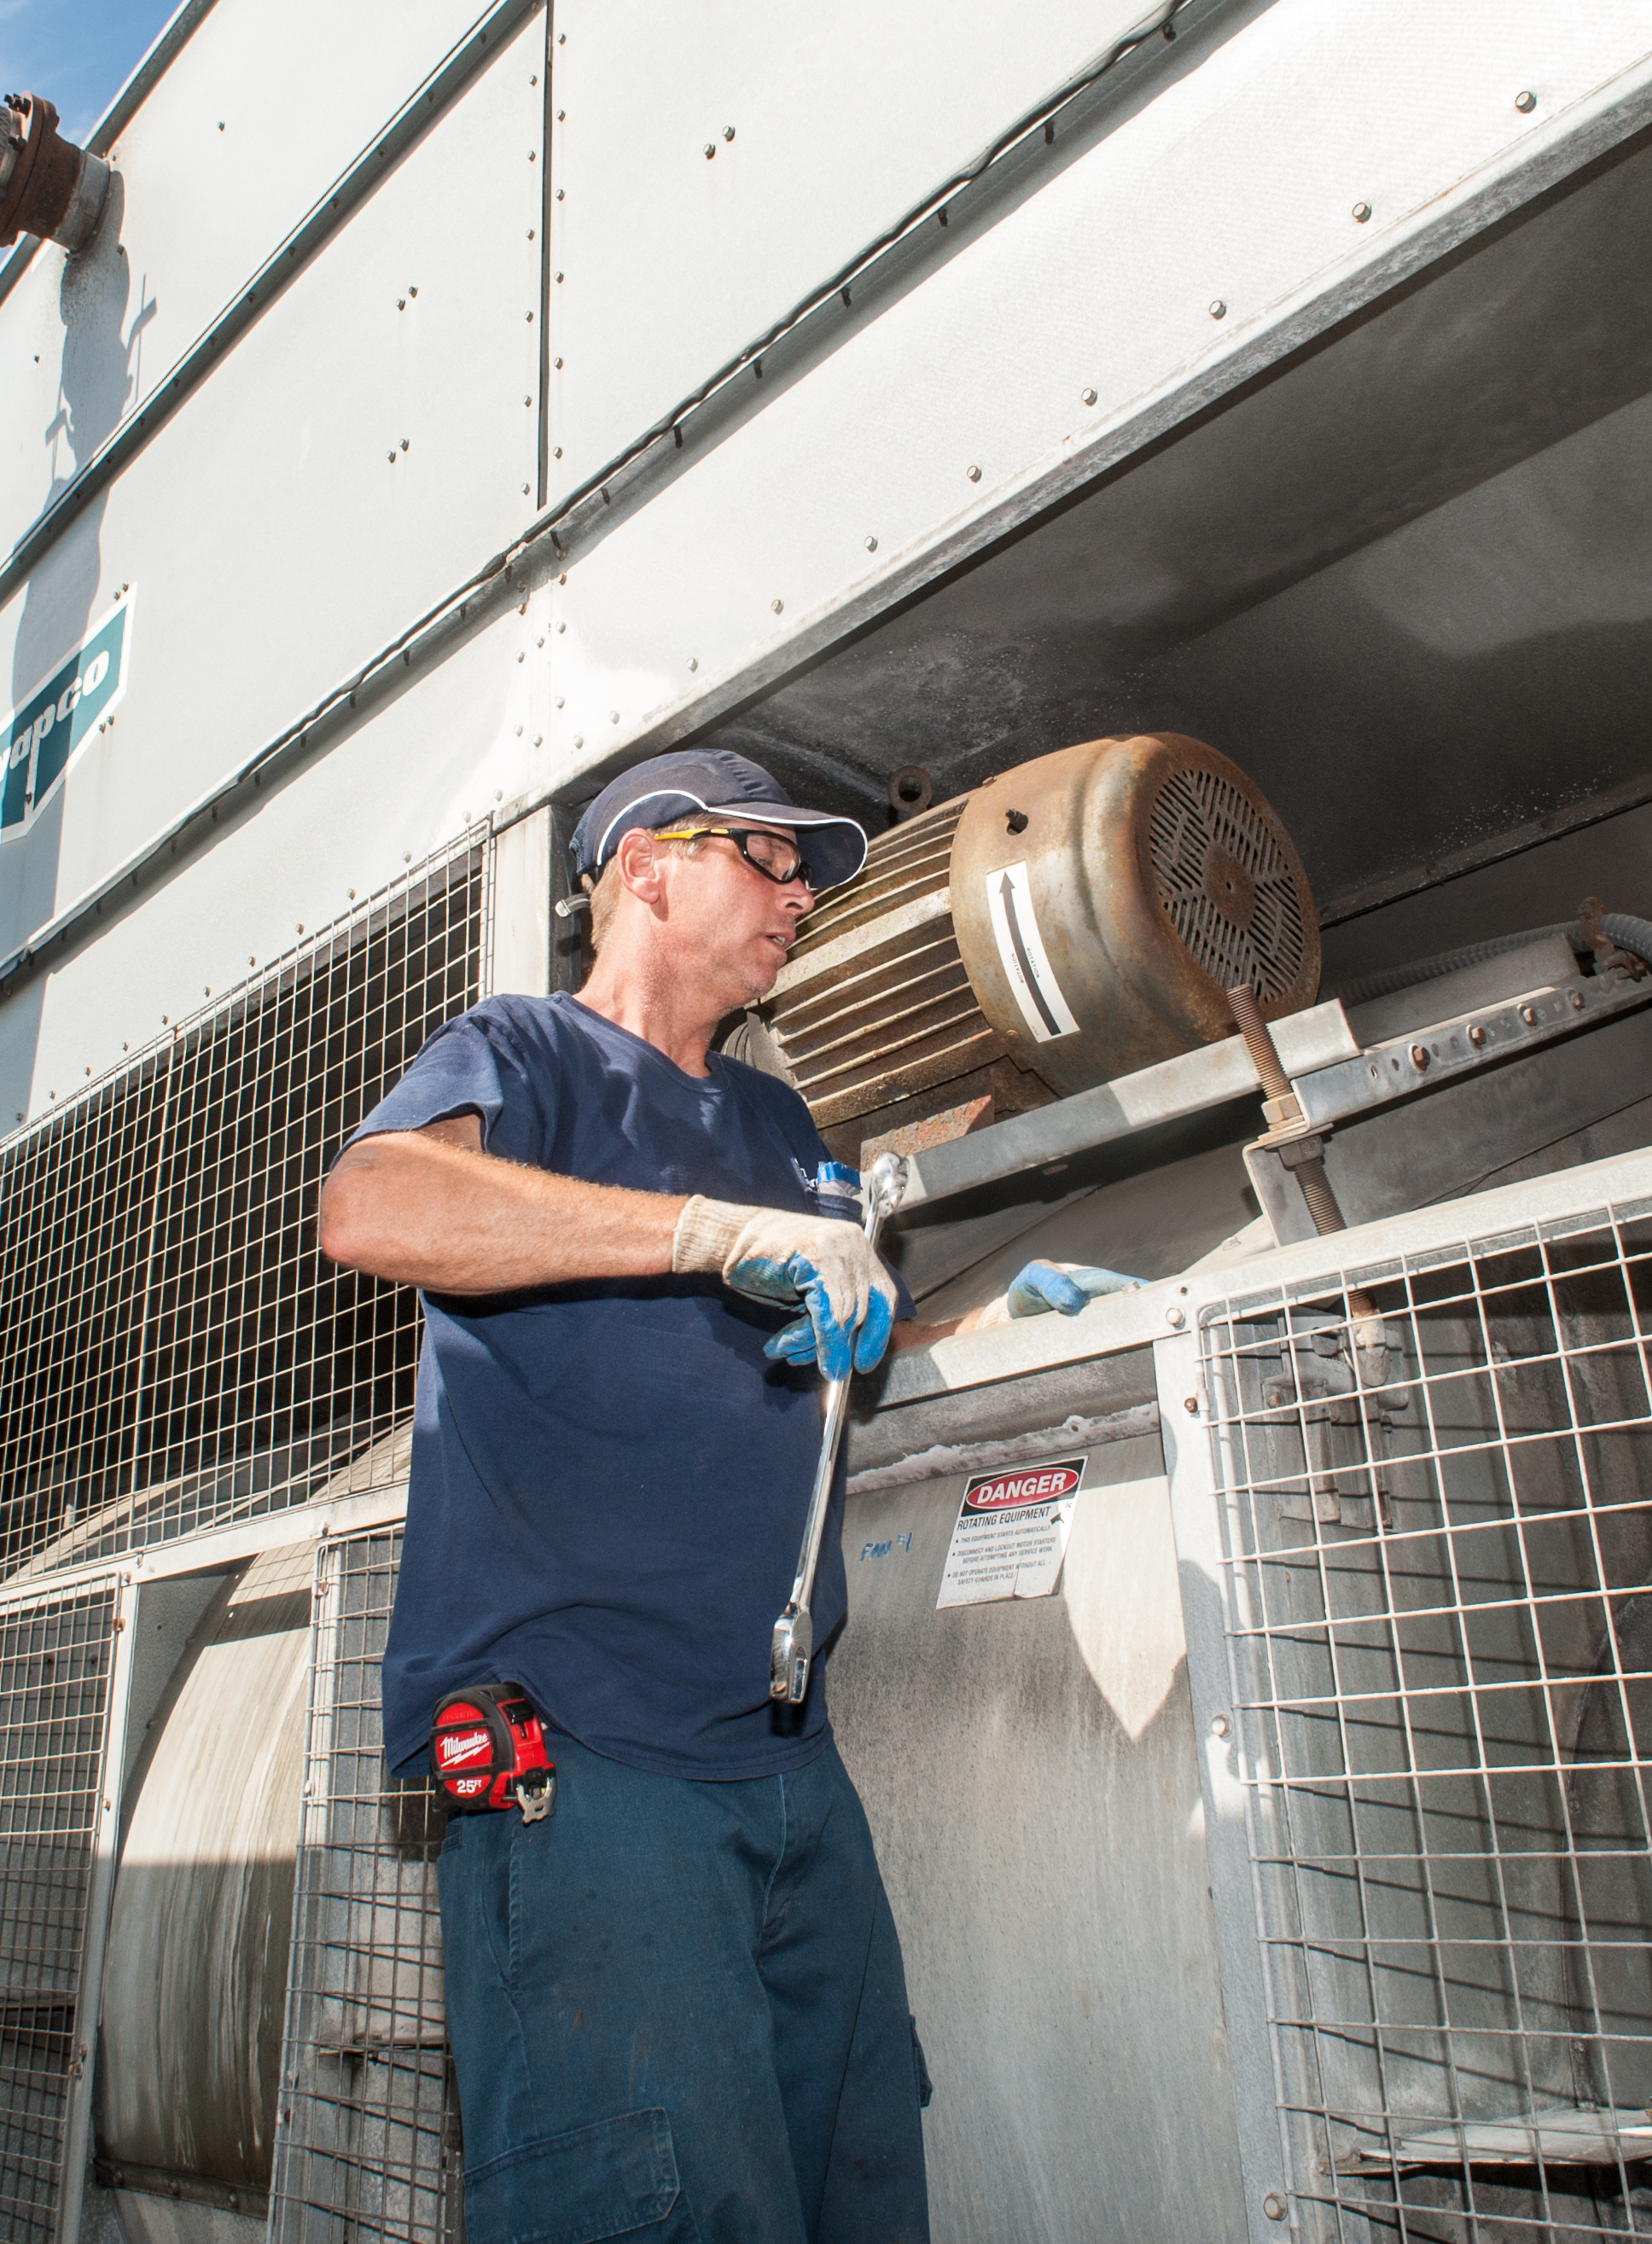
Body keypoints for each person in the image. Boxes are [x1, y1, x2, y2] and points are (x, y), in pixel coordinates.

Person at [316, 748, 929, 2244]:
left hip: (788, 1757)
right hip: (589, 1753)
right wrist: (710, 1234)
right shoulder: (524, 1054)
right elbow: (371, 1206)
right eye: (767, 861)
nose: (798, 897)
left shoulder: (786, 1128)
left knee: (859, 2181)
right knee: (654, 2199)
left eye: (807, 877)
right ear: (645, 866)